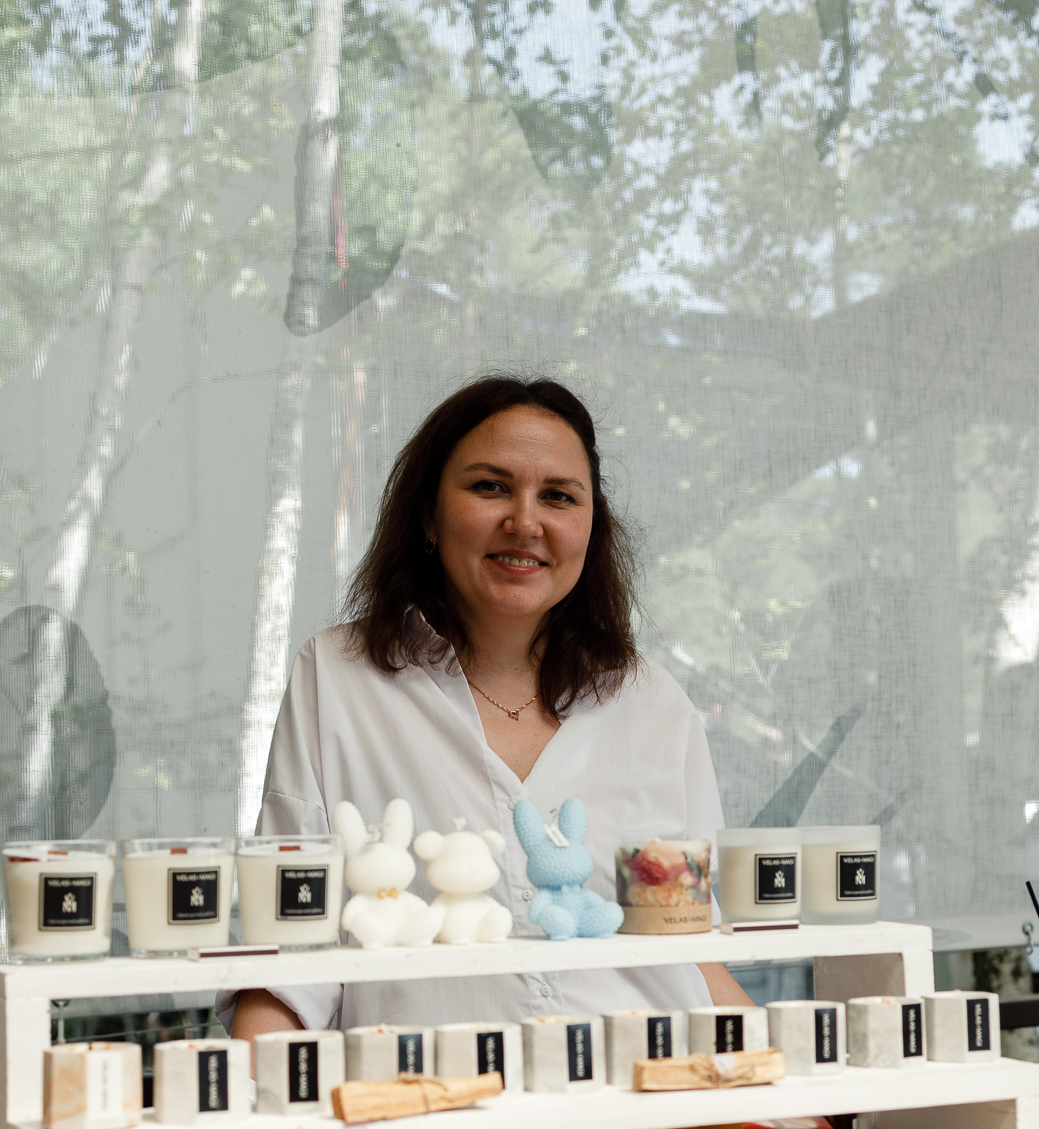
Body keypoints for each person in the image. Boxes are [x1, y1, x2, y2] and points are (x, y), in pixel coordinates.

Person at [231, 374, 750, 1050]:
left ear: (591, 527)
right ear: (428, 514)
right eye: (490, 487)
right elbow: (288, 953)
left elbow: (689, 949)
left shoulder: (654, 703)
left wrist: (804, 1084)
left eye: (559, 496)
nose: (526, 523)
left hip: (645, 1098)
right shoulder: (336, 677)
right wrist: (242, 1101)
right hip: (432, 1105)